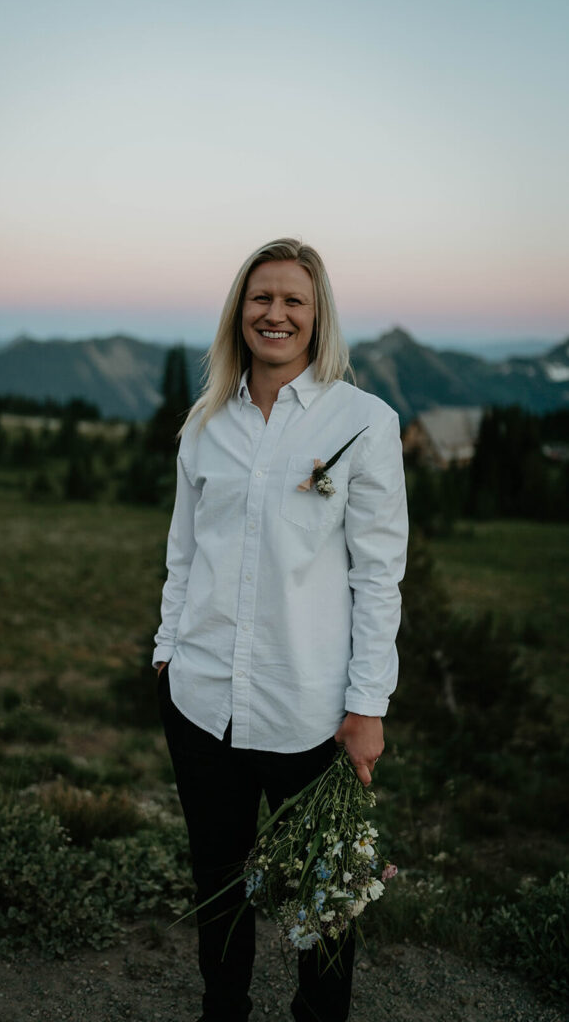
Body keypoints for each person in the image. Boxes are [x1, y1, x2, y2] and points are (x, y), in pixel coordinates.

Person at [153, 238, 408, 1022]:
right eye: (261, 298)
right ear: (240, 311)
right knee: (216, 880)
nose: (275, 313)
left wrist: (367, 707)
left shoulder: (363, 423)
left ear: (316, 315)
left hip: (309, 712)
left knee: (321, 897)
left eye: (293, 300)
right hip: (201, 700)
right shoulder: (205, 425)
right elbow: (183, 552)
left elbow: (377, 574)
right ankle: (222, 1009)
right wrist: (165, 655)